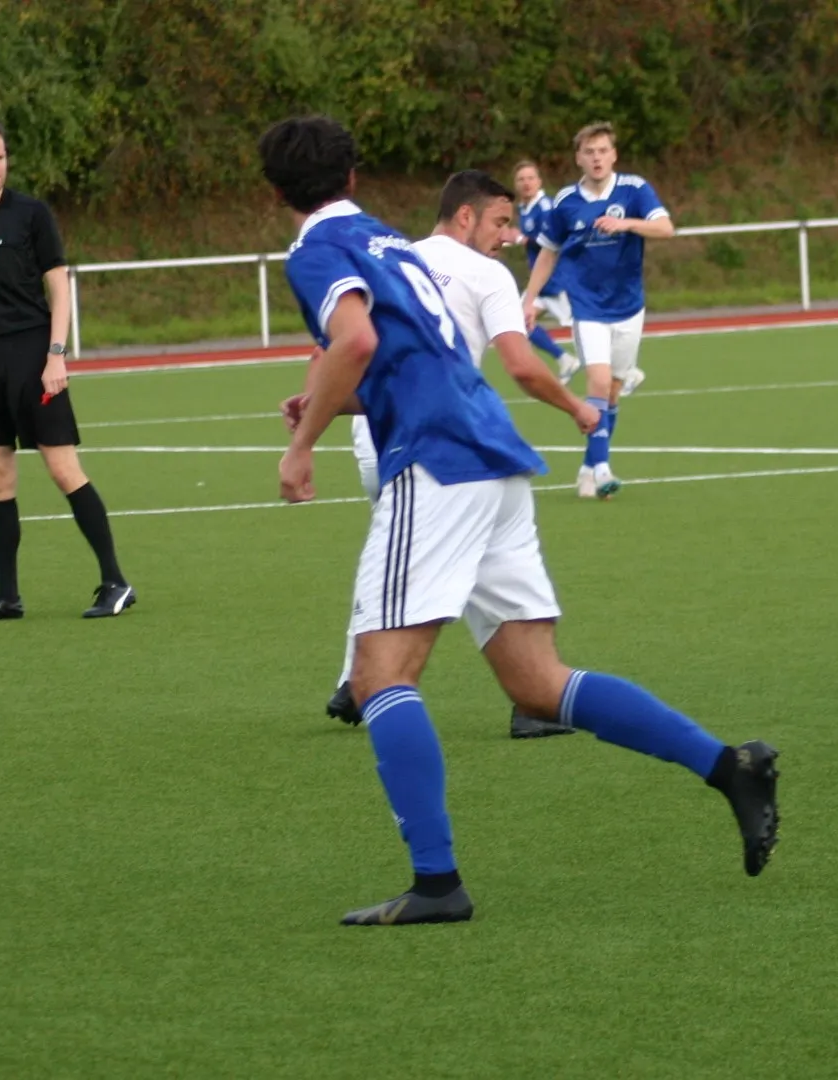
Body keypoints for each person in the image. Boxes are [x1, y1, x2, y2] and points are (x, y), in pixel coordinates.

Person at [260, 115, 779, 925]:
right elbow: (403, 360)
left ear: (273, 193)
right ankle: (728, 766)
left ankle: (437, 884)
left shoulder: (315, 253)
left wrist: (303, 440)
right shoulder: (389, 240)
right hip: (491, 455)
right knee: (537, 685)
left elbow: (355, 340)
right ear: (354, 179)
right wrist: (335, 396)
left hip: (436, 465)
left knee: (379, 677)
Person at [312, 169, 591, 742]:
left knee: (394, 552)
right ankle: (533, 698)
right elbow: (519, 363)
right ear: (465, 215)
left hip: (374, 434)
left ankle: (353, 680)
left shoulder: (393, 259)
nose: (509, 236)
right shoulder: (486, 274)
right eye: (500, 222)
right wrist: (576, 407)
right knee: (481, 552)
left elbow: (341, 343)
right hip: (441, 443)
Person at [0, 120, 135, 623]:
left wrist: (56, 353)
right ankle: (7, 597)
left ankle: (116, 582)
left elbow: (59, 287)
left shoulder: (31, 214)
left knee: (63, 468)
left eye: (0, 157)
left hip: (32, 352)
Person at [521, 122, 671, 500]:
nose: (597, 157)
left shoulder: (634, 190)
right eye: (589, 152)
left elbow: (666, 229)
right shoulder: (565, 202)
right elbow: (548, 252)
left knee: (615, 391)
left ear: (613, 155)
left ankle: (589, 465)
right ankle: (603, 469)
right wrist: (528, 298)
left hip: (629, 306)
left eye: (603, 150)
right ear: (578, 158)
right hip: (586, 307)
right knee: (599, 383)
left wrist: (627, 224)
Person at [511, 160, 580, 382]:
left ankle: (625, 369)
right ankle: (564, 359)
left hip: (557, 281)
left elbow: (551, 244)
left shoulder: (545, 207)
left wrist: (521, 239)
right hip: (540, 283)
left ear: (539, 181)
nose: (526, 183)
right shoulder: (524, 208)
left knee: (587, 329)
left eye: (531, 178)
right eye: (521, 179)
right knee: (518, 321)